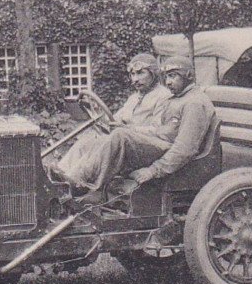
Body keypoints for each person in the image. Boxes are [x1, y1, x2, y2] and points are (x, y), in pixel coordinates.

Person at [75, 56, 216, 204]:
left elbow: (185, 148)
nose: (168, 82)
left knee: (121, 136)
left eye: (173, 76)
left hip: (172, 153)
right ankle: (81, 180)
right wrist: (132, 130)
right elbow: (160, 131)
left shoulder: (194, 103)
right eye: (166, 76)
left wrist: (152, 170)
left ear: (188, 76)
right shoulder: (178, 98)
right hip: (162, 145)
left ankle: (84, 184)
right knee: (108, 137)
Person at [50, 52, 171, 185]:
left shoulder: (163, 96)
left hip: (148, 148)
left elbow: (159, 130)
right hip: (127, 143)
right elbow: (115, 119)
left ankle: (79, 179)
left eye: (141, 73)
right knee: (88, 140)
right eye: (132, 74)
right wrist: (97, 113)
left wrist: (129, 129)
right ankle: (60, 175)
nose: (135, 79)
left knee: (119, 134)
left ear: (153, 74)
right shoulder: (134, 98)